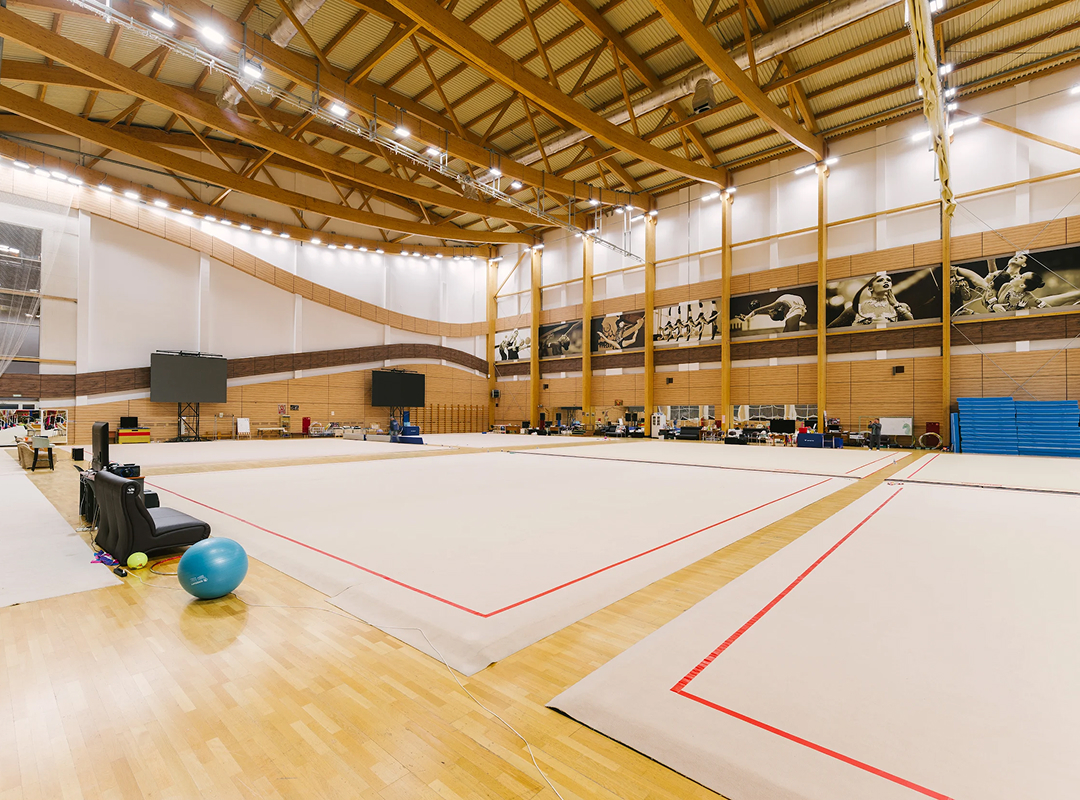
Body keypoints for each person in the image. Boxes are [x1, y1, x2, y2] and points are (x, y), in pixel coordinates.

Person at [829, 273, 914, 327]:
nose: (886, 282)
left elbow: (913, 328)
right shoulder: (856, 309)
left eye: (888, 280)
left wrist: (896, 305)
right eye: (880, 280)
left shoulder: (902, 307)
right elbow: (830, 330)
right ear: (870, 288)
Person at [732, 294, 808, 333]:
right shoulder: (779, 305)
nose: (769, 312)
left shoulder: (778, 304)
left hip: (797, 307)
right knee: (786, 334)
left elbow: (759, 310)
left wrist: (747, 317)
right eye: (771, 314)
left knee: (789, 334)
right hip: (796, 307)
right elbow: (761, 310)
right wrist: (747, 316)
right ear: (777, 311)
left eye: (770, 314)